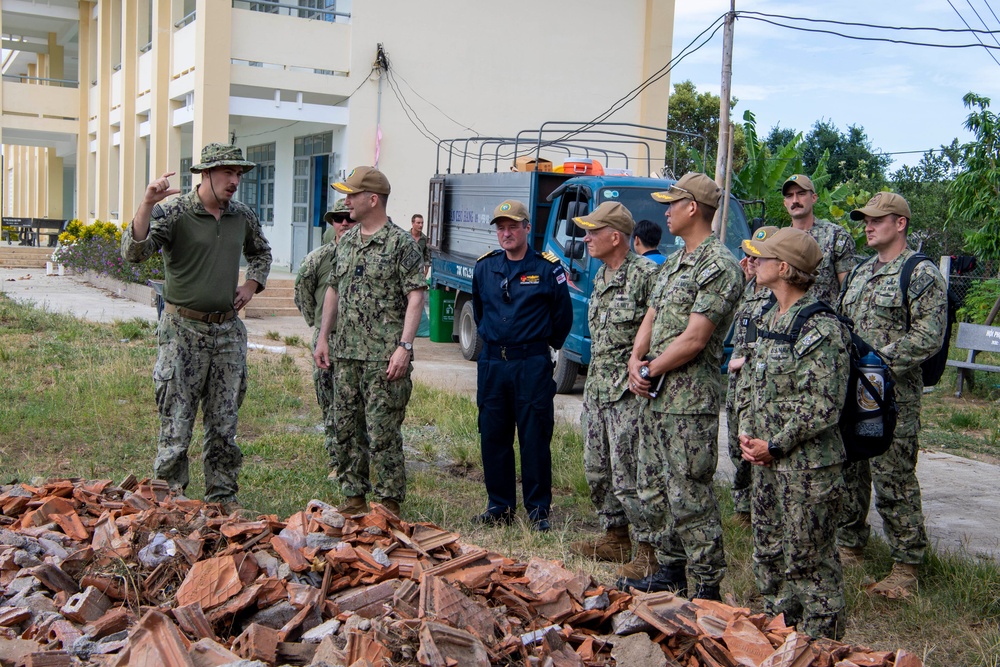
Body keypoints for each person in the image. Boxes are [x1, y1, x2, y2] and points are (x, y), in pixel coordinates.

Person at [121, 143, 272, 512]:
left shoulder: (241, 216)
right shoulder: (174, 212)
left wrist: (252, 284)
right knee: (177, 421)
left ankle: (222, 497)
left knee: (224, 421)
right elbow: (135, 253)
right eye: (227, 173)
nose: (235, 181)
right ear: (206, 174)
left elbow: (261, 252)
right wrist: (146, 204)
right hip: (182, 331)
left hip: (227, 333)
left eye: (239, 174)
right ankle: (169, 500)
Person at [620, 172, 743, 600]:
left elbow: (695, 338)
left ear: (693, 208)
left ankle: (707, 584)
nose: (665, 211)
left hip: (689, 402)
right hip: (656, 396)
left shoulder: (719, 265)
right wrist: (637, 359)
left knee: (690, 493)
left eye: (672, 203)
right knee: (655, 487)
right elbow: (651, 316)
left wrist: (649, 369)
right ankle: (671, 569)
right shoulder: (673, 261)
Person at [738, 227, 852, 640]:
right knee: (768, 552)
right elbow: (752, 378)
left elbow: (822, 403)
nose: (754, 262)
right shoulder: (768, 316)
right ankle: (780, 631)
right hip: (766, 461)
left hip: (807, 468)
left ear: (784, 268)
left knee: (808, 560)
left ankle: (822, 645)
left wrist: (777, 444)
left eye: (762, 257)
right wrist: (747, 434)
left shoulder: (821, 327)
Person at [836, 192, 947, 596]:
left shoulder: (920, 273)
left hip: (893, 397)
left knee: (893, 476)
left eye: (877, 219)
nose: (868, 224)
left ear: (900, 223)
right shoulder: (862, 272)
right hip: (854, 392)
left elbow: (928, 335)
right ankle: (850, 545)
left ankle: (907, 565)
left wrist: (876, 363)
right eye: (865, 219)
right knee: (851, 469)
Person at [313, 166, 426, 517]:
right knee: (345, 428)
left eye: (352, 194)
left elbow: (416, 296)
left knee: (383, 434)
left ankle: (389, 503)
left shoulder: (400, 243)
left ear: (372, 199)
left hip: (383, 358)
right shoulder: (346, 242)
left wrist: (404, 347)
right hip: (346, 353)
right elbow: (333, 289)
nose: (346, 200)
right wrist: (323, 337)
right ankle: (353, 498)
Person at [567, 202, 659, 571]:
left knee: (630, 474)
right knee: (597, 469)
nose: (586, 238)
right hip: (599, 389)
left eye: (593, 231)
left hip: (628, 393)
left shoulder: (645, 276)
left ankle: (649, 553)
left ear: (615, 236)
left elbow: (660, 332)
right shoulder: (601, 275)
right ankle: (615, 537)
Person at [472, 199, 573, 532]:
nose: (506, 233)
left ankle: (537, 510)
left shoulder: (547, 268)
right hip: (492, 364)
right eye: (501, 228)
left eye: (513, 226)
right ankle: (499, 505)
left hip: (530, 364)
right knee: (493, 435)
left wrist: (538, 346)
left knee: (534, 436)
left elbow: (563, 317)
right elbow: (480, 310)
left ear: (527, 228)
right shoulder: (485, 267)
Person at [294, 198, 356, 479]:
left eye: (349, 218)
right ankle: (337, 462)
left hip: (360, 344)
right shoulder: (317, 259)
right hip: (327, 343)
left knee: (361, 407)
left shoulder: (368, 255)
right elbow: (303, 295)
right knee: (331, 405)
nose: (344, 223)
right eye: (338, 218)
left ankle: (361, 462)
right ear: (332, 223)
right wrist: (319, 327)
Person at [725, 226, 780, 526]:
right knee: (737, 443)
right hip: (738, 382)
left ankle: (760, 509)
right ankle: (742, 506)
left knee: (757, 444)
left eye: (758, 256)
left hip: (758, 379)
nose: (752, 261)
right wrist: (742, 279)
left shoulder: (779, 293)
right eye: (749, 255)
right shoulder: (750, 288)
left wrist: (747, 359)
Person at [781, 174, 856, 306]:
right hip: (786, 323)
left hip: (823, 321)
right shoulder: (778, 240)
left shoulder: (835, 236)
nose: (795, 200)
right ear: (784, 203)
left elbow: (849, 291)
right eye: (789, 196)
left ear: (814, 198)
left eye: (801, 194)